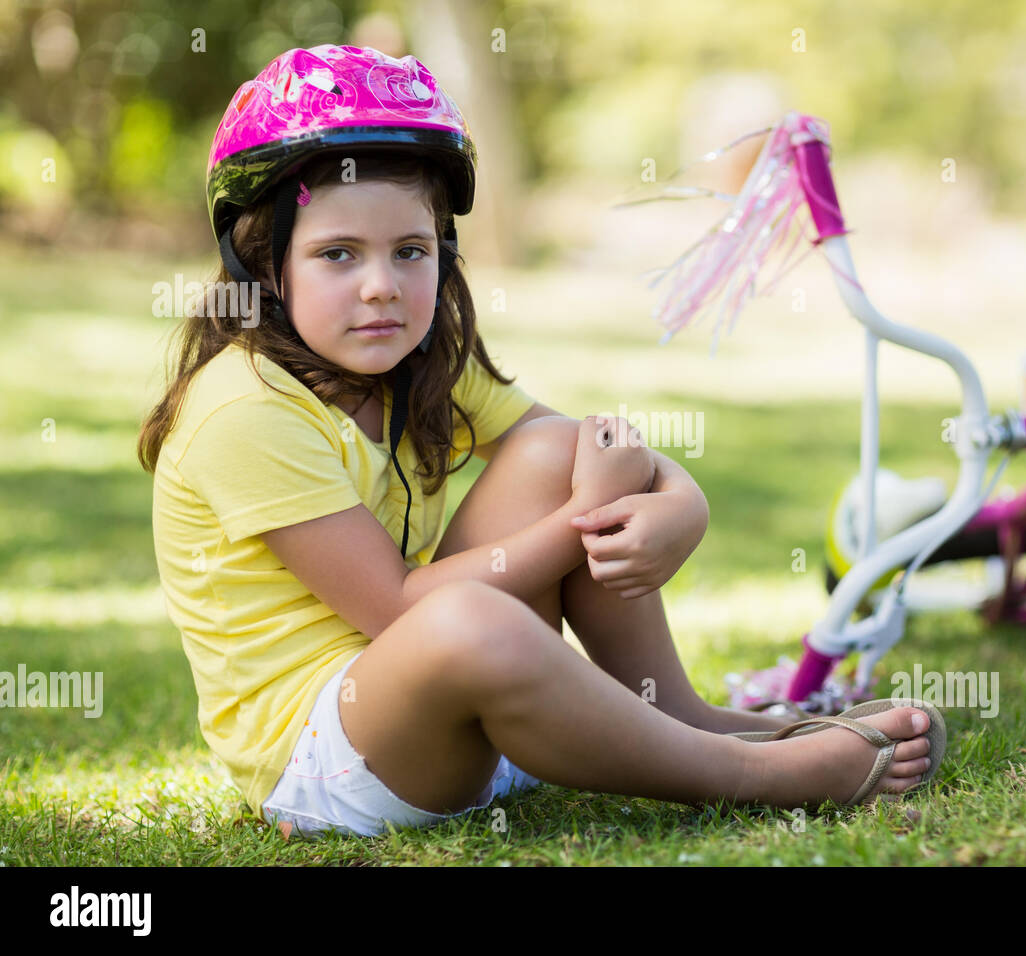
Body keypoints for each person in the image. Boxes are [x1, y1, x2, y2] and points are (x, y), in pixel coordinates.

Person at [138, 44, 944, 840]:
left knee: (561, 450)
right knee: (464, 619)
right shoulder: (242, 409)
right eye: (337, 255)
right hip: (330, 760)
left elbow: (584, 447)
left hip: (434, 694)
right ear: (263, 267)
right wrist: (576, 525)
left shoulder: (414, 361)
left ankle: (687, 716)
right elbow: (398, 609)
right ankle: (754, 775)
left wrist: (680, 505)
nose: (381, 285)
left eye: (410, 251)